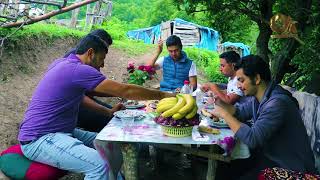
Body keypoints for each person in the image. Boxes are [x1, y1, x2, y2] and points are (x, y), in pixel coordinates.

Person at [18, 34, 174, 180]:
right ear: (90, 53)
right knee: (100, 165)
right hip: (39, 138)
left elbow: (86, 95)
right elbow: (125, 90)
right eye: (102, 59)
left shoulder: (62, 64)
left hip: (63, 132)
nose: (103, 64)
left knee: (116, 145)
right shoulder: (78, 70)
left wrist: (108, 111)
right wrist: (162, 95)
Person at [211, 55, 316, 179]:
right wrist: (219, 102)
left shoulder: (277, 103)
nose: (238, 85)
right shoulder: (260, 97)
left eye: (241, 80)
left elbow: (252, 139)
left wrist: (224, 114)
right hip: (270, 159)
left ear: (256, 78)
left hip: (292, 169)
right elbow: (240, 112)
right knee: (224, 165)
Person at [65, 29, 121, 132]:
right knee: (113, 120)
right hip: (75, 106)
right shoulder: (76, 60)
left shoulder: (86, 56)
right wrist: (120, 92)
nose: (102, 64)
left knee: (114, 115)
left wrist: (117, 92)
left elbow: (93, 88)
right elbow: (81, 98)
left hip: (82, 100)